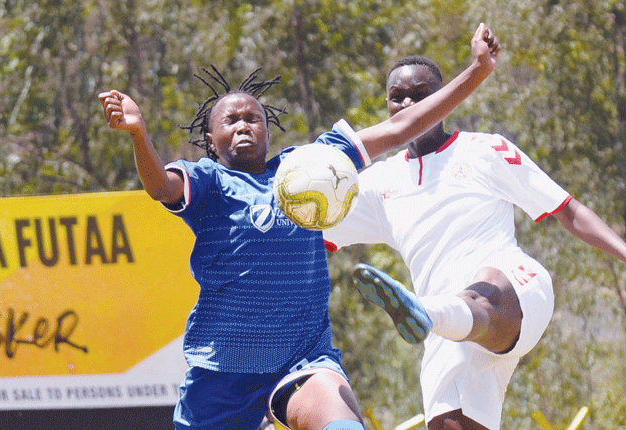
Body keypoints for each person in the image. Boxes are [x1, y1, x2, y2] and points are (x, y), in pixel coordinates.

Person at [97, 24, 500, 430]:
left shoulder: (309, 165)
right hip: (223, 367)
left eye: (253, 119)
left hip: (302, 359)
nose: (243, 126)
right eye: (231, 120)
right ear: (210, 138)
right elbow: (159, 187)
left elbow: (398, 130)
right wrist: (138, 134)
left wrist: (477, 72)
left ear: (268, 131)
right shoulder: (208, 181)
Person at [322, 55, 626, 430]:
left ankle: (427, 311)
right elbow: (311, 232)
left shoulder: (485, 150)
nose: (408, 105)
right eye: (397, 97)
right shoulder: (377, 184)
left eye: (421, 94)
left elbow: (567, 210)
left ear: (441, 98)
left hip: (513, 291)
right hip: (447, 341)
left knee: (480, 294)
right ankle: (431, 315)